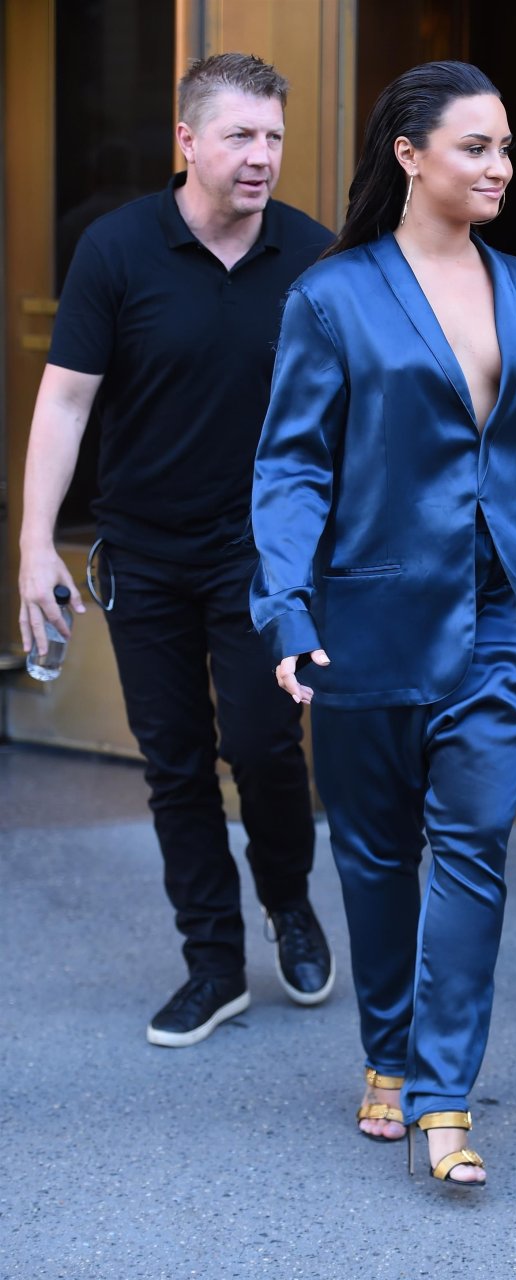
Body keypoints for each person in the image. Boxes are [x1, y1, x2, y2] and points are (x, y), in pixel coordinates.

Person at [250, 60, 516, 1186]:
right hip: (371, 616)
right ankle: (389, 1051)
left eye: (506, 148)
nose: (501, 167)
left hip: (504, 619)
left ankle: (444, 1094)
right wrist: (285, 607)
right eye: (475, 147)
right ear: (409, 155)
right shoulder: (333, 296)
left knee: (472, 847)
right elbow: (292, 466)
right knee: (372, 856)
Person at [18, 53, 336, 1049]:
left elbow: (352, 414)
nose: (261, 155)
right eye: (240, 136)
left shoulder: (313, 257)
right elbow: (66, 402)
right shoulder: (116, 249)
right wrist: (34, 544)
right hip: (146, 554)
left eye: (273, 136)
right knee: (175, 763)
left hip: (264, 558)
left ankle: (286, 899)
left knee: (265, 747)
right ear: (188, 140)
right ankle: (212, 963)